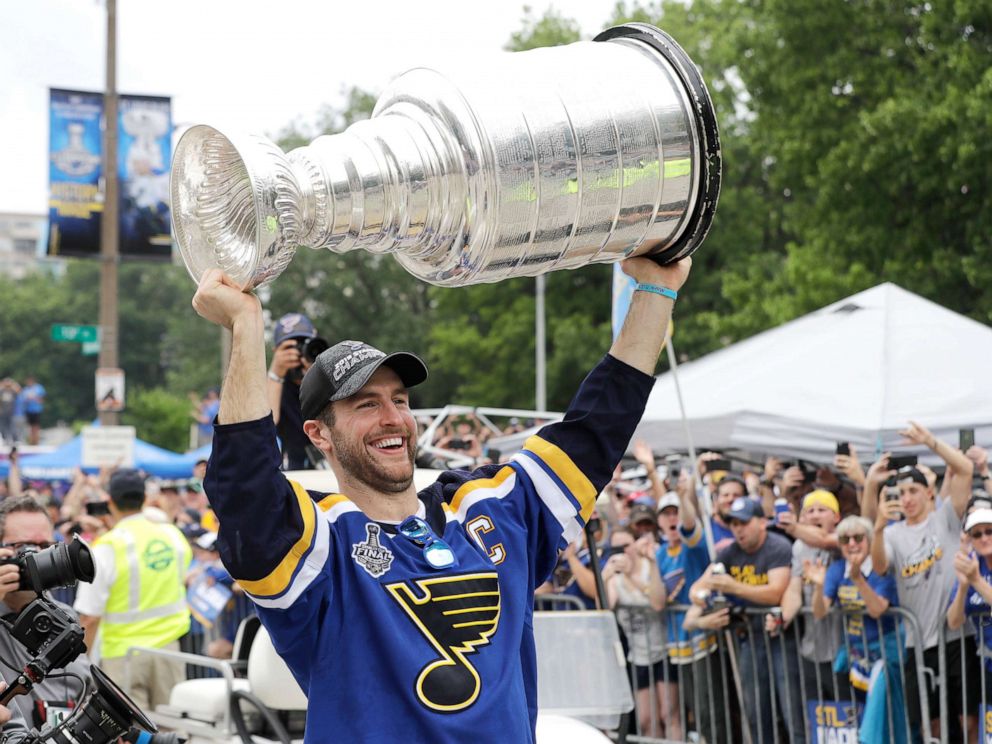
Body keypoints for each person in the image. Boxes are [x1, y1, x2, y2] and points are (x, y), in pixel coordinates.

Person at [191, 254, 690, 743]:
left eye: (400, 400)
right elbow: (245, 490)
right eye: (367, 404)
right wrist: (246, 325)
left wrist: (656, 290)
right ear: (319, 435)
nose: (394, 418)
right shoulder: (319, 545)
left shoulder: (488, 508)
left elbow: (597, 428)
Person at [867, 422, 978, 743]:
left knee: (968, 720)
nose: (907, 498)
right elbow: (879, 565)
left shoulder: (945, 518)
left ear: (929, 491)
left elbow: (966, 468)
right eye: (901, 493)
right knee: (933, 728)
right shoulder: (891, 533)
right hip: (918, 643)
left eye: (913, 491)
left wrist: (929, 441)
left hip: (957, 637)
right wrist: (876, 528)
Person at [74, 469, 191, 710]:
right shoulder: (172, 535)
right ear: (145, 499)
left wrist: (81, 666)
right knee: (172, 730)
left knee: (130, 733)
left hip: (123, 656)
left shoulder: (107, 546)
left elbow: (89, 617)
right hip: (169, 651)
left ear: (110, 502)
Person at [690, 496, 804, 744]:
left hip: (780, 638)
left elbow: (776, 592)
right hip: (749, 639)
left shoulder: (778, 546)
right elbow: (697, 589)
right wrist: (703, 598)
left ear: (762, 522)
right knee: (755, 711)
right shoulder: (729, 552)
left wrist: (734, 586)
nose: (738, 529)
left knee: (791, 709)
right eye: (733, 524)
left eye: (744, 523)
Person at [809, 515, 906, 744]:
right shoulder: (836, 570)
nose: (852, 544)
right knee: (860, 714)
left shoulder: (880, 568)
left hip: (886, 655)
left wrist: (859, 580)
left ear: (870, 540)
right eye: (845, 539)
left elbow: (877, 610)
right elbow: (820, 611)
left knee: (890, 719)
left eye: (858, 538)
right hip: (855, 655)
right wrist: (819, 585)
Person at [0, 497, 93, 729]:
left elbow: (85, 688)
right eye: (24, 548)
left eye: (45, 547)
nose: (38, 557)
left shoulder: (64, 615)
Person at [773, 489, 846, 701]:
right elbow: (794, 589)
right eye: (809, 511)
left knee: (849, 714)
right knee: (819, 716)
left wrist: (794, 527)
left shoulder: (847, 538)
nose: (814, 515)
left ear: (836, 517)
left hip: (844, 648)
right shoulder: (799, 547)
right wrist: (782, 618)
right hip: (811, 648)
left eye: (822, 510)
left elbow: (824, 540)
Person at [603, 528, 670, 738]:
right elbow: (604, 608)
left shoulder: (648, 567)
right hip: (638, 655)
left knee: (669, 714)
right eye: (617, 547)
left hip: (664, 650)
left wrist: (647, 565)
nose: (624, 551)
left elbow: (658, 603)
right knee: (645, 719)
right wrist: (604, 577)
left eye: (627, 545)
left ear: (635, 544)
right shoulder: (613, 577)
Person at [947, 507, 992, 705]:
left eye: (989, 531)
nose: (984, 538)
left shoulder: (974, 572)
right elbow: (954, 621)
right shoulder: (973, 564)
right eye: (977, 534)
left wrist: (976, 581)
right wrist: (963, 587)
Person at [267, 312, 324, 470]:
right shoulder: (272, 386)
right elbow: (265, 425)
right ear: (276, 352)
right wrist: (276, 373)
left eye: (303, 344)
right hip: (292, 468)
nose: (298, 353)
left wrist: (315, 375)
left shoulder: (328, 378)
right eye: (289, 347)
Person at [19, 377, 44, 446]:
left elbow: (41, 400)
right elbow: (22, 400)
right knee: (29, 427)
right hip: (28, 410)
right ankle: (31, 442)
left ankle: (36, 441)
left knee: (36, 426)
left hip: (36, 410)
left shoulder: (38, 388)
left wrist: (34, 398)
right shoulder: (25, 390)